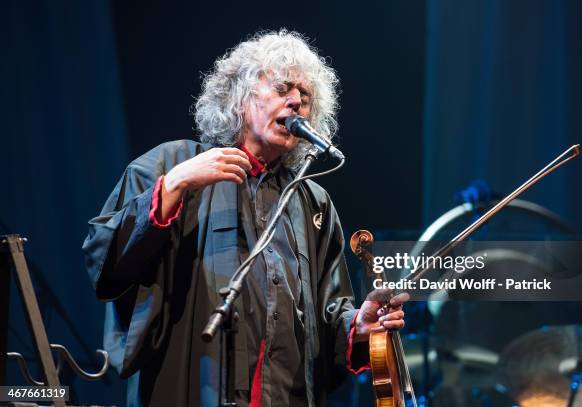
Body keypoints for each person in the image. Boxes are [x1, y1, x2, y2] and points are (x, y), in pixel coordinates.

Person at [83, 30, 406, 407]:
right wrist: (174, 186)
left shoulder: (312, 201)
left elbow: (327, 315)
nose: (296, 102)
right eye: (283, 87)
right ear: (239, 97)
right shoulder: (173, 164)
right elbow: (103, 261)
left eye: (305, 97)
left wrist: (358, 327)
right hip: (192, 390)